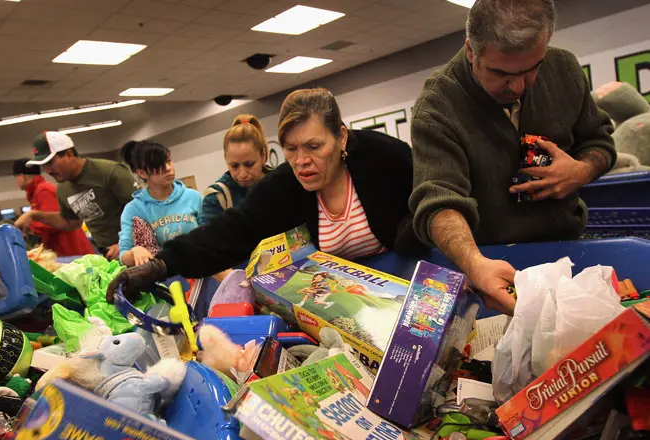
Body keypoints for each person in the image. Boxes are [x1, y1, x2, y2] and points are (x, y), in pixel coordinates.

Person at [107, 88, 421, 302]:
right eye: (291, 149)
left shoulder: (385, 157)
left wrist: (414, 226)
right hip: (352, 294)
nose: (301, 161)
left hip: (409, 281)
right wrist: (161, 265)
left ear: (340, 136)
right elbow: (230, 232)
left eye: (314, 146)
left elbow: (434, 195)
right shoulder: (285, 185)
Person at [409, 0, 616, 314]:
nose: (518, 86)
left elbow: (600, 142)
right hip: (492, 266)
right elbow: (438, 202)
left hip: (570, 250)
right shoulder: (437, 108)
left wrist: (581, 171)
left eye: (532, 68)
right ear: (470, 51)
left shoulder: (564, 69)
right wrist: (475, 264)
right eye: (500, 73)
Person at [14, 131, 136, 260]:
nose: (48, 170)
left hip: (135, 248)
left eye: (50, 163)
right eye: (44, 165)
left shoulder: (109, 172)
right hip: (108, 253)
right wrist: (34, 215)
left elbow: (144, 211)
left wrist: (125, 243)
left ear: (69, 154)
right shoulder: (62, 188)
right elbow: (71, 222)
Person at [118, 140, 202, 267]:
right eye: (158, 165)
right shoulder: (134, 210)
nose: (168, 168)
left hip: (201, 270)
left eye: (168, 161)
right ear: (142, 173)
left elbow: (211, 235)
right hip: (164, 279)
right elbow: (123, 256)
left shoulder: (193, 197)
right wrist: (135, 252)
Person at [12, 158, 94, 257]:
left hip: (70, 250)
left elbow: (58, 221)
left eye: (16, 177)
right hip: (65, 250)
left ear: (22, 176)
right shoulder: (37, 192)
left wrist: (30, 225)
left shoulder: (43, 190)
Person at [199, 114, 270, 226]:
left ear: (263, 156)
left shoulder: (283, 182)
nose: (242, 174)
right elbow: (206, 241)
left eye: (249, 164)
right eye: (234, 166)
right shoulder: (216, 197)